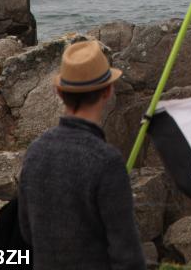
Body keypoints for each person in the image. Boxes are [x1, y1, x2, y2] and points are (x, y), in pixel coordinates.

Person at [18, 41, 144, 270]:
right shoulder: (107, 161)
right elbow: (127, 255)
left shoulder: (35, 151)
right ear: (108, 91)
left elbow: (26, 231)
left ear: (59, 92)